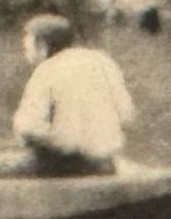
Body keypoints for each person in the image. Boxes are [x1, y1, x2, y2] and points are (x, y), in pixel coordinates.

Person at [8, 14, 135, 177]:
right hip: (105, 161)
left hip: (69, 163)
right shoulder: (103, 62)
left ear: (42, 45)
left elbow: (28, 127)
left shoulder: (45, 70)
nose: (25, 52)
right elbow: (127, 115)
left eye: (27, 47)